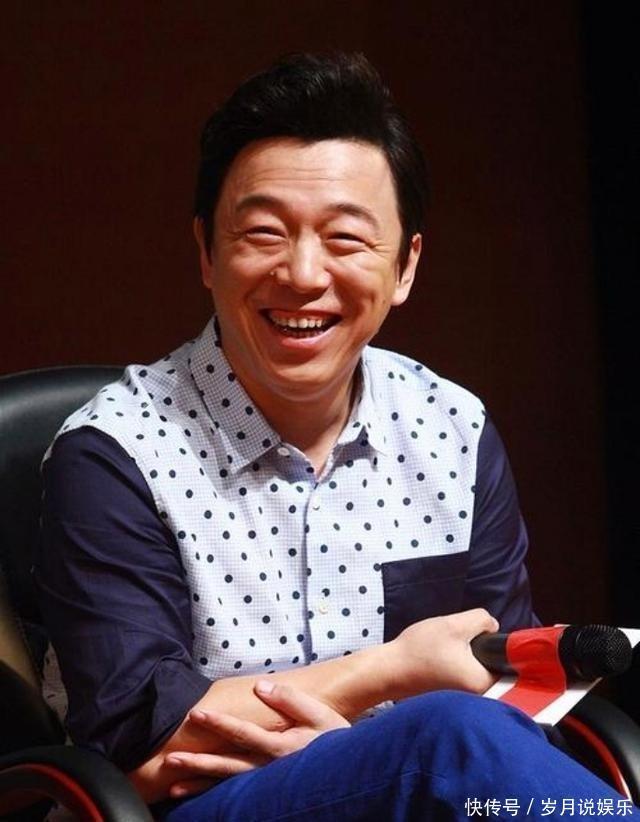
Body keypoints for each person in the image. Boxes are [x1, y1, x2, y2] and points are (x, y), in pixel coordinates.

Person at [35, 52, 638, 820]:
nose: (303, 274)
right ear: (206, 252)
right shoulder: (114, 452)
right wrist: (391, 681)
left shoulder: (452, 428)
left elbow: (508, 690)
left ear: (405, 265)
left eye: (346, 238)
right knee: (448, 736)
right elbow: (144, 740)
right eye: (264, 233)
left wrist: (358, 756)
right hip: (191, 809)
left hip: (412, 800)